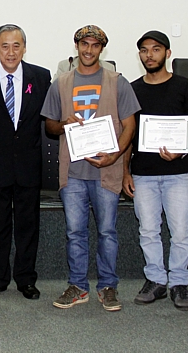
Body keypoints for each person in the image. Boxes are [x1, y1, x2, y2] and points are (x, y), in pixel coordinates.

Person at [42, 25, 139, 312]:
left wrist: (114, 157)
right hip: (73, 173)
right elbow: (49, 125)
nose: (88, 50)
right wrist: (63, 125)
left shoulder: (117, 82)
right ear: (76, 46)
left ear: (101, 49)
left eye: (95, 45)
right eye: (84, 44)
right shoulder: (60, 83)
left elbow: (130, 126)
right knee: (75, 232)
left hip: (105, 172)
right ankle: (78, 286)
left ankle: (108, 286)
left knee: (107, 231)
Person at [122, 31, 188, 311]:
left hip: (178, 173)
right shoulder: (132, 89)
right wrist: (125, 172)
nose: (149, 55)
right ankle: (155, 280)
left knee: (181, 231)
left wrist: (183, 150)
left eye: (156, 50)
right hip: (143, 173)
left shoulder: (185, 86)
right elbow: (128, 135)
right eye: (144, 50)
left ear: (167, 53)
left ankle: (179, 283)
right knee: (148, 231)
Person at [0, 24, 51, 301]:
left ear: (24, 48)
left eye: (16, 45)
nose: (10, 51)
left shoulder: (41, 77)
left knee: (29, 225)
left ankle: (26, 279)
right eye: (4, 46)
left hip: (29, 163)